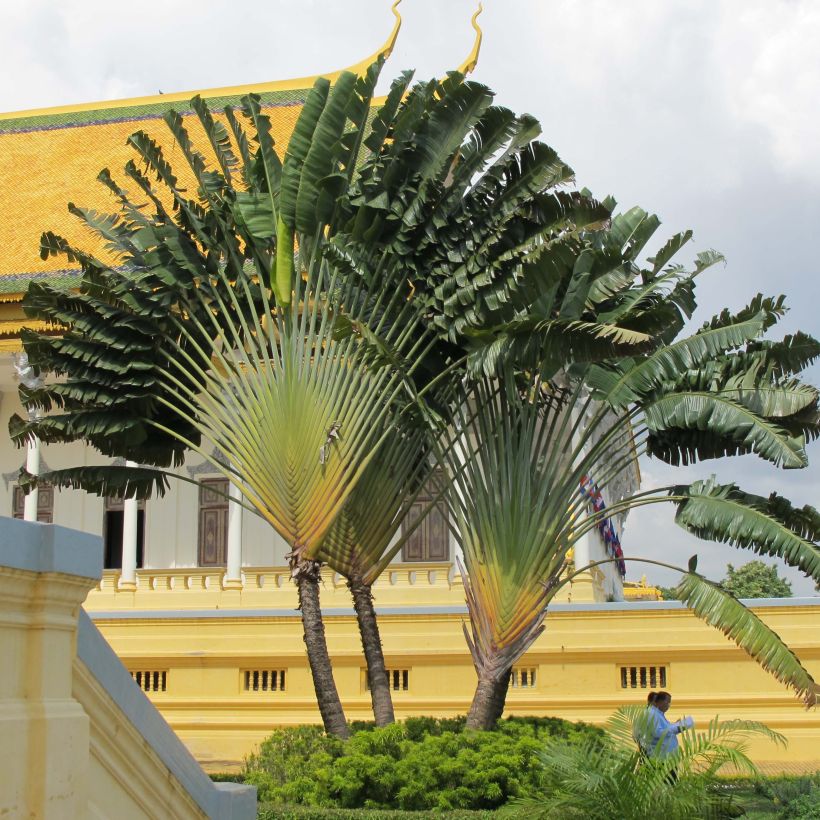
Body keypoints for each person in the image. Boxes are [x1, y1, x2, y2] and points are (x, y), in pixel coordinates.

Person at [645, 691, 695, 765]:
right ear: (660, 702)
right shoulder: (651, 714)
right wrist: (677, 727)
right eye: (667, 702)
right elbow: (657, 733)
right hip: (660, 759)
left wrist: (676, 725)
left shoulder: (658, 714)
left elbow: (666, 728)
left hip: (667, 758)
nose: (669, 705)